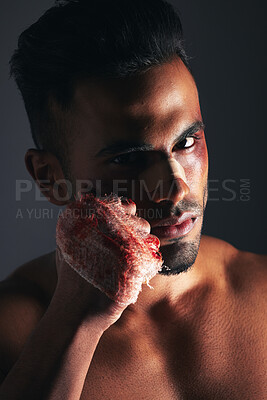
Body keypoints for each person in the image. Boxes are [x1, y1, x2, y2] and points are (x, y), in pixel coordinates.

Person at [0, 0, 266, 398]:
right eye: (127, 159)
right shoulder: (14, 338)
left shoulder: (261, 293)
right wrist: (76, 321)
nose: (174, 188)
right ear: (50, 177)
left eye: (187, 142)